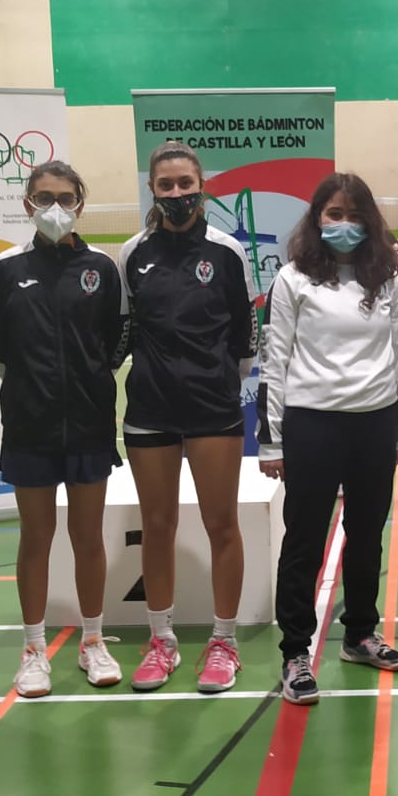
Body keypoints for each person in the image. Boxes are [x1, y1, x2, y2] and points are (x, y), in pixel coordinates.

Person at [258, 172, 398, 705]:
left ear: (369, 221)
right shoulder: (293, 279)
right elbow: (274, 361)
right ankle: (295, 652)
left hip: (374, 423)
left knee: (367, 535)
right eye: (334, 214)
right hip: (312, 425)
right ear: (316, 218)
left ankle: (359, 634)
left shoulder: (386, 279)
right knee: (304, 541)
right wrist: (273, 442)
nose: (344, 224)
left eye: (354, 215)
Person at [0, 161, 128, 698]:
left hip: (89, 423)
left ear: (80, 204)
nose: (54, 207)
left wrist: (85, 380)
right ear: (27, 204)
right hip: (29, 424)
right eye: (43, 198)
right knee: (35, 539)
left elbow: (117, 340)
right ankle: (34, 650)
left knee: (87, 538)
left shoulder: (103, 269)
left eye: (65, 197)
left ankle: (93, 641)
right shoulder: (5, 270)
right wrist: (34, 386)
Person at [119, 141, 255, 694]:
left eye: (185, 184)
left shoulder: (227, 252)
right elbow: (125, 329)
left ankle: (223, 643)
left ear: (202, 186)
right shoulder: (132, 252)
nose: (177, 193)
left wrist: (218, 381)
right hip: (149, 409)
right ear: (152, 190)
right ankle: (162, 642)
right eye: (166, 185)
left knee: (222, 524)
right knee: (157, 526)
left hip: (212, 410)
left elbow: (246, 338)